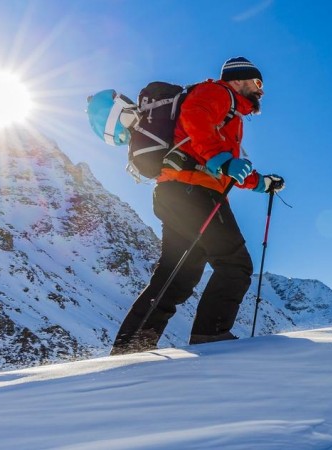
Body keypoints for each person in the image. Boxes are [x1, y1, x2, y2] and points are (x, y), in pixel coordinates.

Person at [111, 57, 285, 355]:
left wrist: (260, 182)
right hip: (195, 193)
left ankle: (131, 346)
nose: (261, 91)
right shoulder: (217, 93)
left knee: (178, 275)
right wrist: (221, 160)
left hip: (176, 191)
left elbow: (222, 165)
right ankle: (210, 336)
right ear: (238, 79)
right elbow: (196, 118)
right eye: (258, 83)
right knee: (234, 263)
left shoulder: (229, 112)